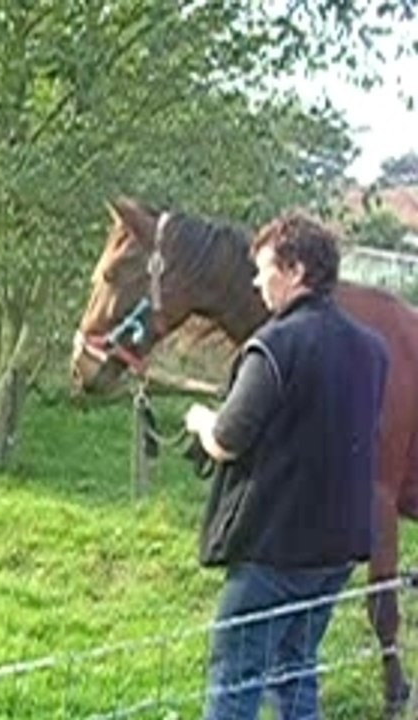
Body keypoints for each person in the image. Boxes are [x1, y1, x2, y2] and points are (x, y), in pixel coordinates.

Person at [183, 212, 389, 720]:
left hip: (274, 551)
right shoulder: (373, 350)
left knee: (236, 676)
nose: (256, 283)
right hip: (337, 551)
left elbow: (227, 441)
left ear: (295, 271)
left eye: (264, 269)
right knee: (296, 667)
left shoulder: (274, 344)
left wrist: (200, 420)